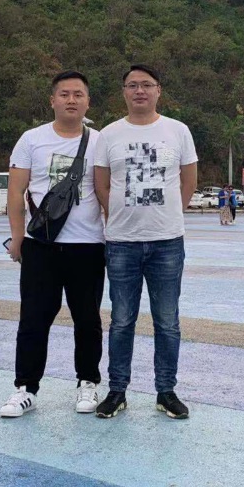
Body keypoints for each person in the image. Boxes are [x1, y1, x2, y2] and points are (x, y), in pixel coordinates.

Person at [93, 64, 198, 420]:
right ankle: (117, 391)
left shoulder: (178, 131)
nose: (140, 90)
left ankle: (166, 391)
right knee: (121, 320)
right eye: (132, 85)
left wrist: (169, 215)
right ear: (124, 91)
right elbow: (102, 184)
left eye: (147, 85)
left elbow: (188, 181)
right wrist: (120, 217)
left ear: (158, 90)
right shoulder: (109, 134)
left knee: (167, 321)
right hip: (121, 242)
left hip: (167, 242)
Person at [0, 71, 105, 417]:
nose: (71, 100)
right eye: (64, 94)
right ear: (52, 100)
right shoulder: (31, 140)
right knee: (33, 318)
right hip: (40, 245)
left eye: (78, 94)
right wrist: (18, 239)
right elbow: (15, 192)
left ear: (88, 102)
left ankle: (88, 382)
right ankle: (25, 389)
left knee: (87, 319)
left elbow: (105, 193)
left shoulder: (100, 141)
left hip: (88, 245)